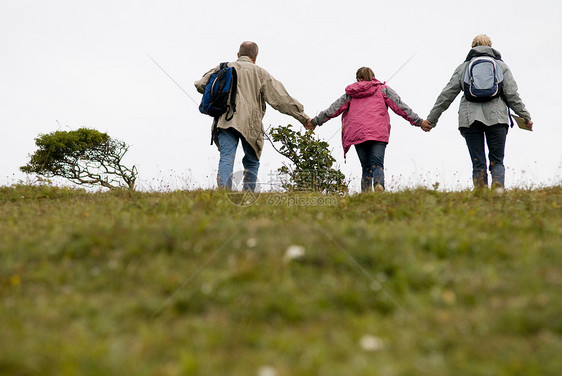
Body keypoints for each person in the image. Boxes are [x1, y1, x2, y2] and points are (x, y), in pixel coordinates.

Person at [195, 41, 310, 191]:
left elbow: (200, 84)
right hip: (251, 124)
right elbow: (281, 99)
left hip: (225, 119)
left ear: (238, 55)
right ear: (255, 57)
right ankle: (248, 193)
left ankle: (223, 193)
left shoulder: (224, 67)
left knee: (227, 156)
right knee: (252, 161)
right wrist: (303, 117)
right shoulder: (260, 73)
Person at [424, 34, 533, 190]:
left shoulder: (463, 68)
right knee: (497, 160)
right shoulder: (501, 66)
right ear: (490, 46)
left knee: (478, 161)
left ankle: (481, 194)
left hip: (470, 119)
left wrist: (431, 120)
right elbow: (512, 95)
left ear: (472, 47)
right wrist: (525, 117)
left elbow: (446, 96)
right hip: (497, 119)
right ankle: (498, 191)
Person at [305, 67, 430, 192]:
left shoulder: (351, 94)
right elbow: (401, 107)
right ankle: (379, 184)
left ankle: (365, 196)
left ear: (358, 78)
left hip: (357, 133)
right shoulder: (383, 89)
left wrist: (315, 121)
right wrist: (419, 122)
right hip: (378, 132)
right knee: (377, 164)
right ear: (373, 76)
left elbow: (332, 110)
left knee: (366, 168)